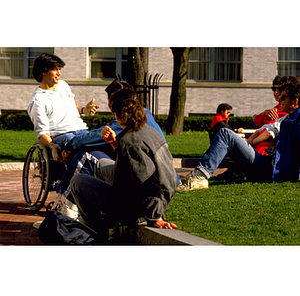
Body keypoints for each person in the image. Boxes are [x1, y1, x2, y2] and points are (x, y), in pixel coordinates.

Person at [70, 87, 178, 239]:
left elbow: (147, 181)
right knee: (101, 165)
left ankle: (94, 235)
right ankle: (110, 223)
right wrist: (115, 144)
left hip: (136, 208)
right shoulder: (147, 130)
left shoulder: (130, 141)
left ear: (116, 115)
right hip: (159, 193)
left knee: (78, 182)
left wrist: (155, 217)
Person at [177, 75, 300, 191]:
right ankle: (198, 175)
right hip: (265, 163)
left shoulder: (296, 121)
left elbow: (269, 131)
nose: (280, 99)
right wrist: (251, 140)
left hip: (269, 169)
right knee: (226, 134)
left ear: (294, 101)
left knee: (226, 134)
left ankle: (199, 177)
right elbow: (267, 126)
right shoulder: (285, 119)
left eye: (283, 97)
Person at [27, 53, 99, 160]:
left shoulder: (63, 85)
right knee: (87, 154)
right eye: (55, 69)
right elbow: (42, 132)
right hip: (64, 136)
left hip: (82, 131)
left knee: (103, 144)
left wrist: (83, 110)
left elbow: (70, 105)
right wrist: (52, 146)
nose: (59, 73)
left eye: (59, 69)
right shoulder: (38, 100)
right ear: (43, 71)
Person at [249, 75, 288, 155]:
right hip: (257, 150)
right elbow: (257, 119)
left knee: (225, 134)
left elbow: (260, 121)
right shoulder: (275, 109)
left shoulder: (286, 110)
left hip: (264, 153)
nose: (276, 92)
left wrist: (251, 141)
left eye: (279, 89)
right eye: (274, 89)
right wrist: (265, 112)